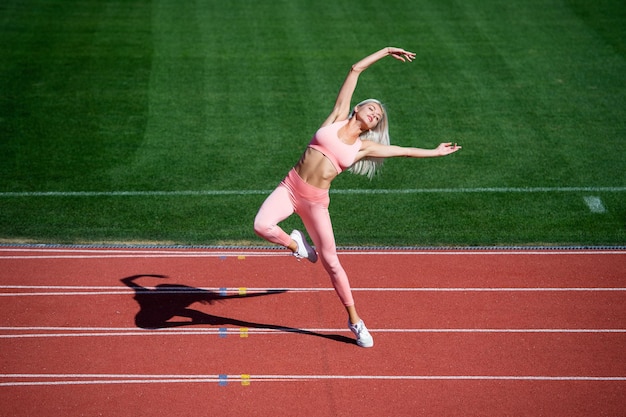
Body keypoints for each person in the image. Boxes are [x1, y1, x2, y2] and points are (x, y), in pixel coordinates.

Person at [254, 47, 461, 348]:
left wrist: (435, 151)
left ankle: (355, 321)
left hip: (315, 202)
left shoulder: (363, 147)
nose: (375, 114)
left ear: (373, 126)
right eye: (372, 108)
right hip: (290, 186)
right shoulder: (338, 116)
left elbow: (402, 151)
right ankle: (297, 244)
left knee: (333, 264)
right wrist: (387, 51)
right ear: (357, 109)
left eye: (377, 117)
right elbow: (354, 70)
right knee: (261, 225)